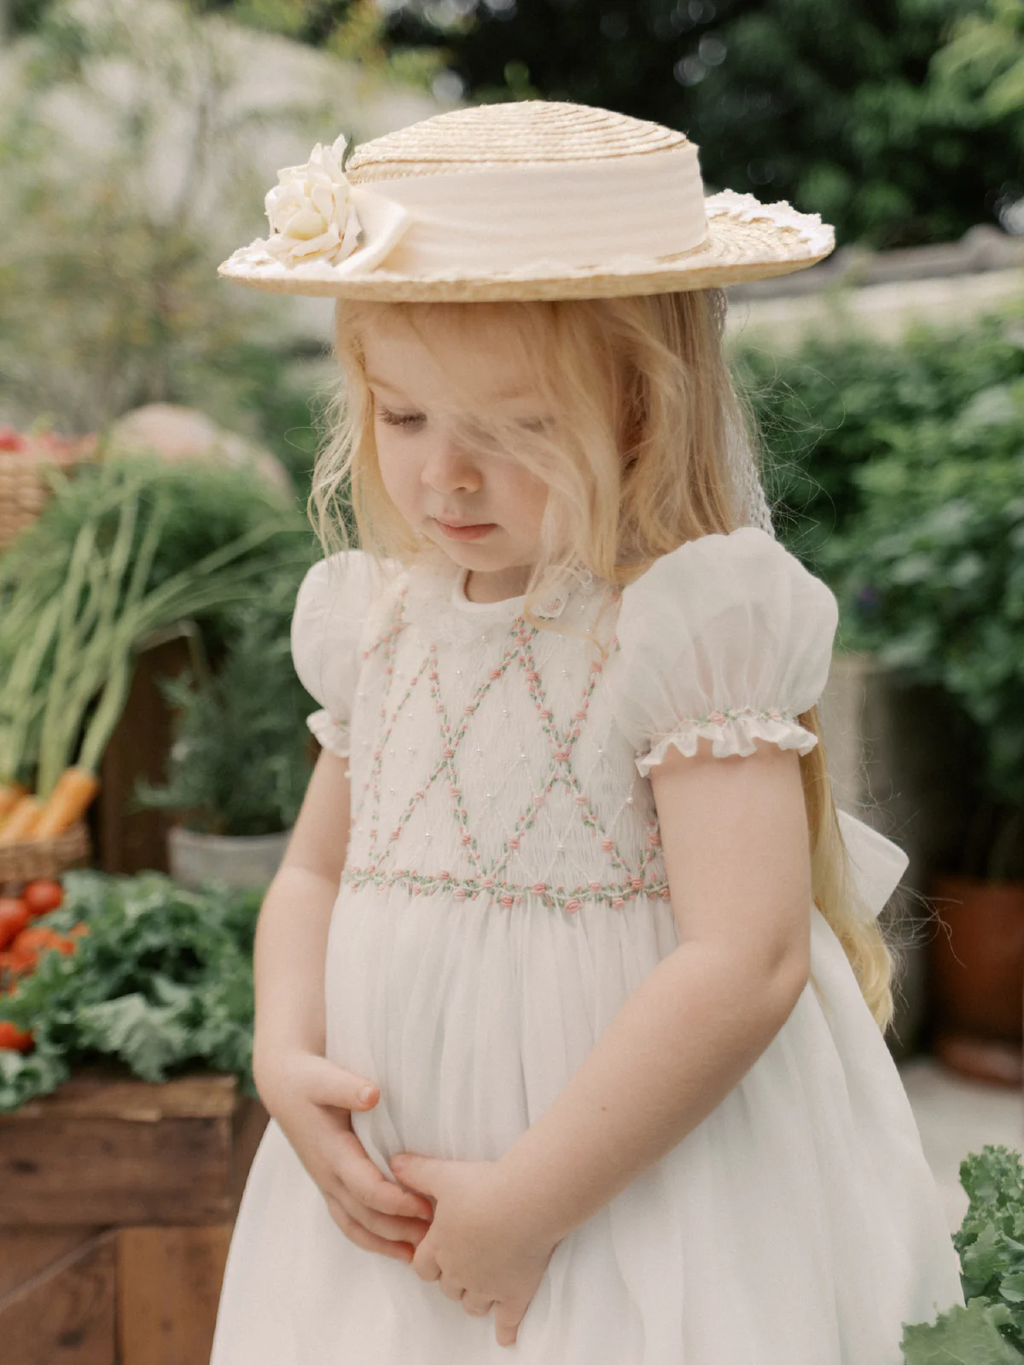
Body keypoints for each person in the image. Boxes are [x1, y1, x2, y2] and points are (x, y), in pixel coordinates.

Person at [209, 101, 965, 1364]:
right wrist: (284, 1055)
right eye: (404, 419)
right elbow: (313, 870)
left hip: (632, 1186)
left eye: (513, 431)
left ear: (643, 408)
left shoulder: (684, 630)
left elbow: (745, 961)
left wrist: (530, 1204)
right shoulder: (377, 624)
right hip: (393, 1197)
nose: (447, 475)